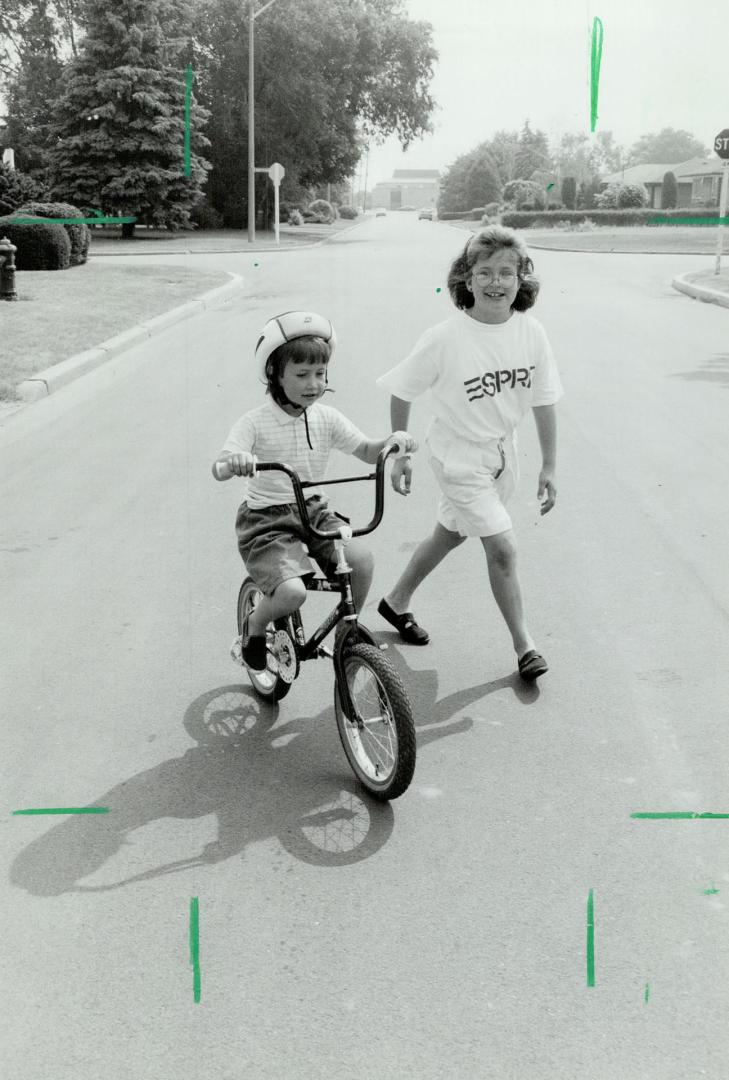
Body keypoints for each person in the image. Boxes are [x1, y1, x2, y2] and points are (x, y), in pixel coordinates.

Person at [376, 225, 563, 681]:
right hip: (457, 455)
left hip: (503, 453)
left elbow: (543, 398)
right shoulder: (445, 337)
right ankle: (525, 646)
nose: (496, 282)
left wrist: (549, 466)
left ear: (522, 280)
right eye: (485, 272)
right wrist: (400, 451)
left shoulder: (531, 332)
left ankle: (395, 603)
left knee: (450, 532)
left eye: (506, 272)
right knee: (502, 548)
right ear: (467, 279)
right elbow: (402, 391)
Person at [213, 310, 417, 672]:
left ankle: (345, 634)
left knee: (361, 560)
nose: (313, 384)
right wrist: (236, 461)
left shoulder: (326, 417)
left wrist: (392, 442)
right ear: (275, 373)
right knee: (292, 593)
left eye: (320, 374)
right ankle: (255, 626)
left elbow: (367, 451)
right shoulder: (255, 422)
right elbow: (220, 466)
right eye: (302, 374)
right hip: (266, 522)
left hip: (313, 511)